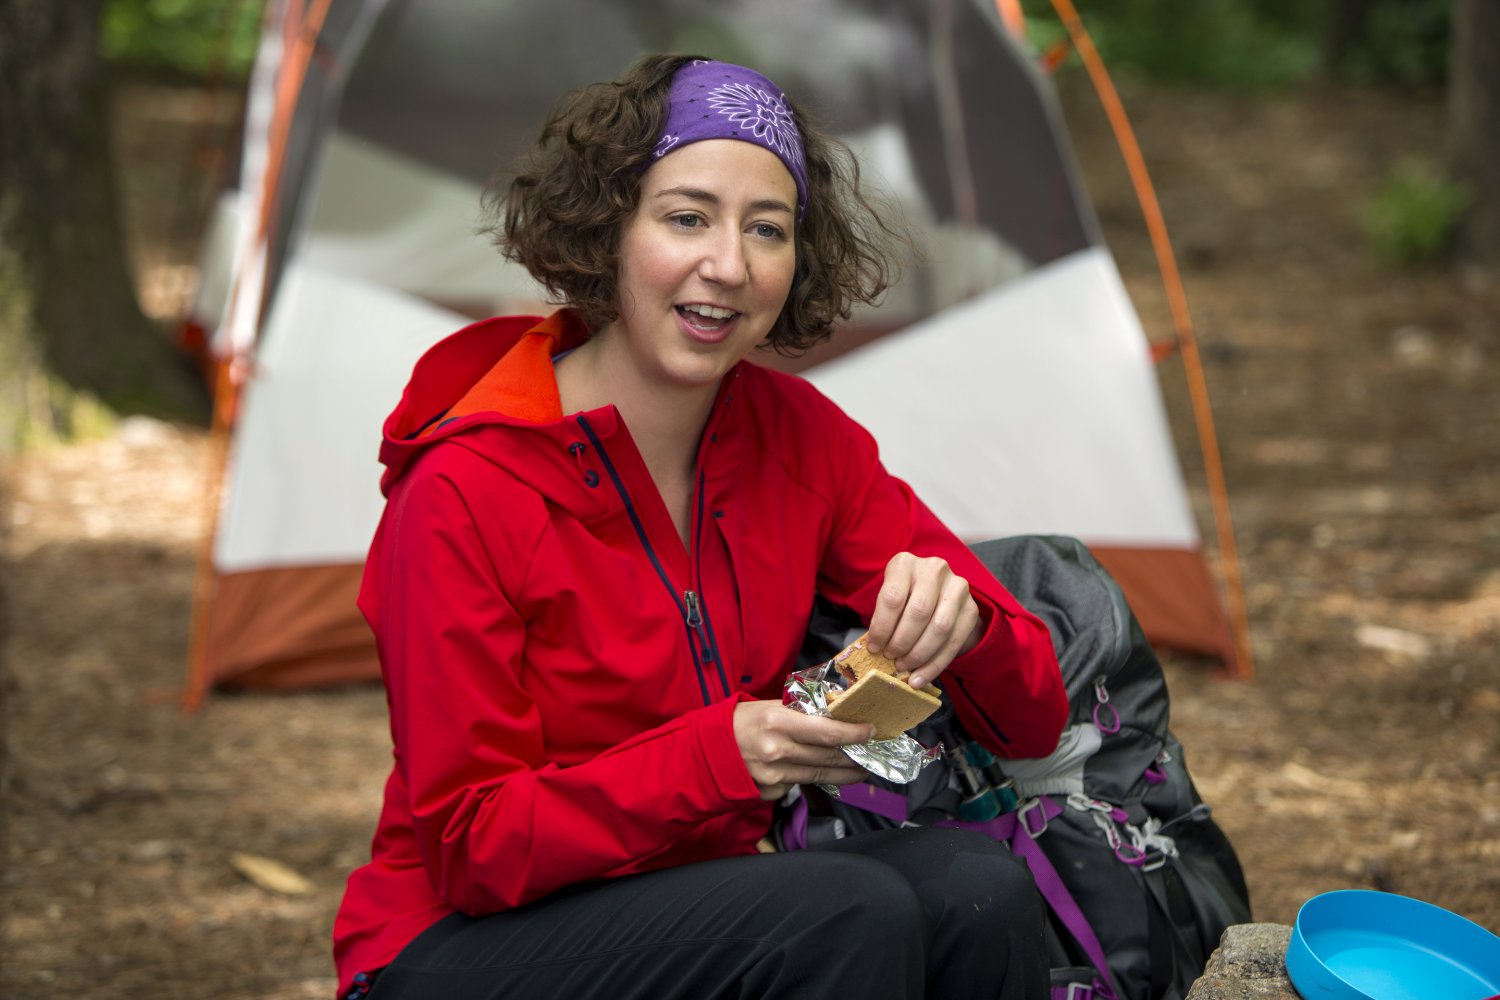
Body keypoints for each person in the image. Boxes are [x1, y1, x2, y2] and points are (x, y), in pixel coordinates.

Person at [332, 54, 1069, 1000]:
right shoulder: (466, 487)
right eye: (686, 218)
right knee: (849, 909)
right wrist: (718, 759)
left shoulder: (802, 441)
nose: (727, 265)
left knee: (978, 889)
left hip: (712, 893)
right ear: (608, 230)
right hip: (456, 944)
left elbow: (1036, 713)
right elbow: (474, 849)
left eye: (767, 229)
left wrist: (964, 624)